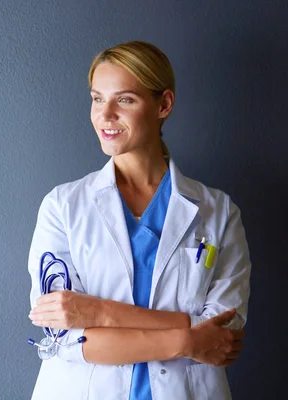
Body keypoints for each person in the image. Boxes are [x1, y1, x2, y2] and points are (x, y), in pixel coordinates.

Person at [27, 41, 251, 400]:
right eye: (97, 98)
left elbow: (221, 334)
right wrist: (184, 340)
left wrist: (98, 312)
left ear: (163, 104)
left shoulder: (219, 212)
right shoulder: (63, 207)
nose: (105, 115)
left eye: (125, 100)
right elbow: (65, 338)